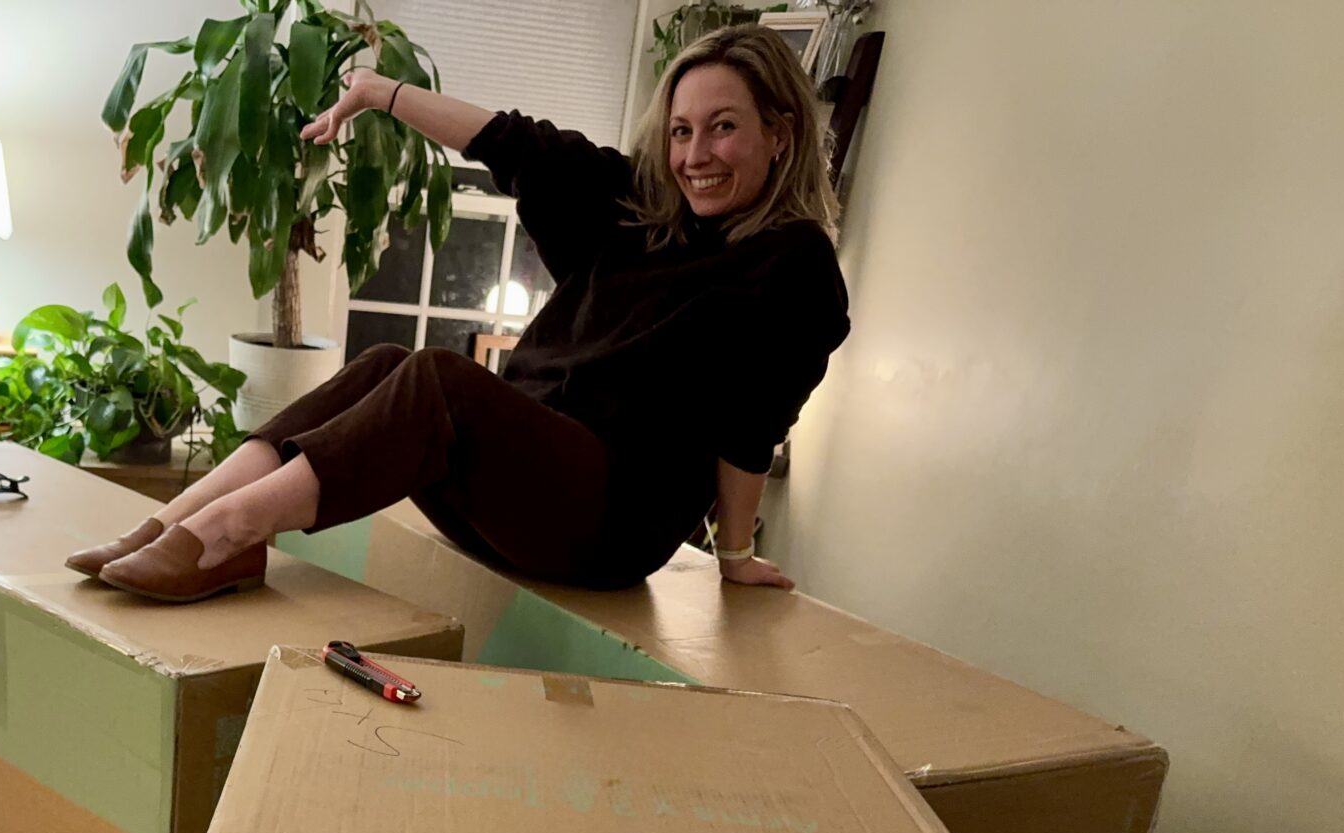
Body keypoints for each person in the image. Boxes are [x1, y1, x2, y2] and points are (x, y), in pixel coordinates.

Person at [70, 24, 851, 602]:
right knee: (384, 366)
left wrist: (735, 554)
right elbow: (514, 145)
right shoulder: (643, 210)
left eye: (724, 127)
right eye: (682, 130)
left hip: (608, 524)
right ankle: (173, 523)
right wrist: (380, 95)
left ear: (780, 133)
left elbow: (752, 427)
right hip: (517, 495)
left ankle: (228, 536)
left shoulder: (792, 264)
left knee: (440, 381)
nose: (695, 156)